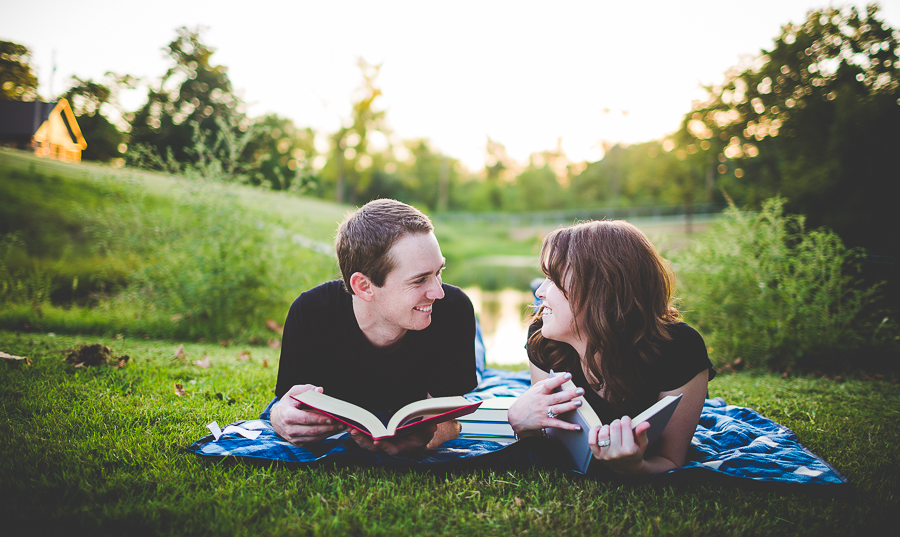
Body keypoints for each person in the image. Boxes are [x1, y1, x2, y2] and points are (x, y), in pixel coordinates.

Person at [269, 199, 478, 455]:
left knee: (479, 359)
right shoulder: (311, 314)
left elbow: (449, 422)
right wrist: (279, 417)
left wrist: (422, 443)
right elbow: (287, 404)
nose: (438, 291)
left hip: (445, 329)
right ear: (364, 287)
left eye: (439, 272)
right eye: (420, 280)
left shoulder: (454, 310)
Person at [507, 220, 715, 475]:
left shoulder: (679, 350)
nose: (539, 291)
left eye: (553, 279)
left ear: (600, 288)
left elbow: (670, 459)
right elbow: (549, 442)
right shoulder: (545, 341)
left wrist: (634, 467)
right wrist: (523, 427)